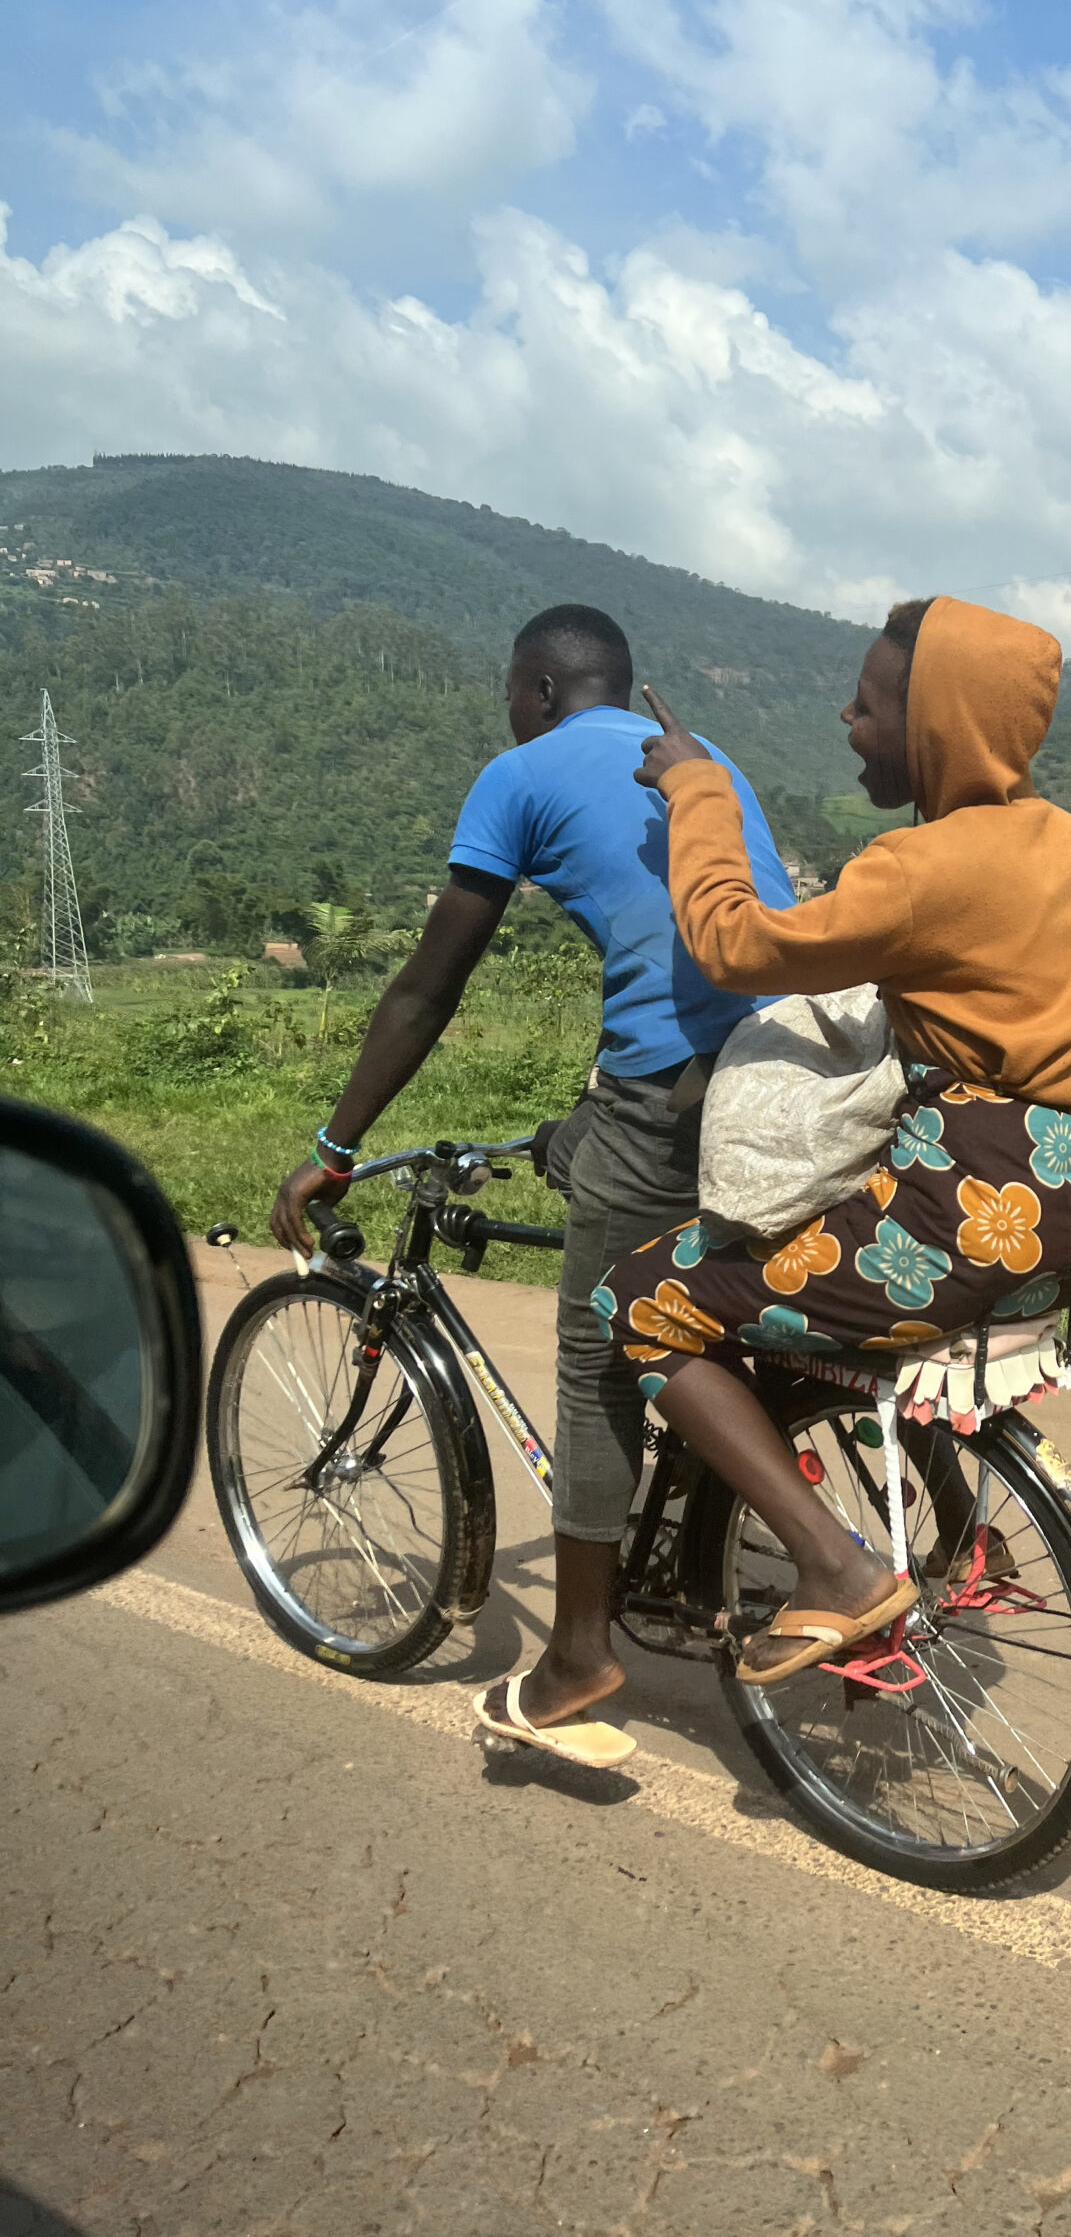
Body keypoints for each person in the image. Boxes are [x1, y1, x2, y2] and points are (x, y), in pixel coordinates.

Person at [504, 593, 1071, 1718]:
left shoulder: (926, 864)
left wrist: (697, 792)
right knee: (783, 1306)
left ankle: (836, 1566)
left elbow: (736, 944)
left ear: (936, 723)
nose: (848, 717)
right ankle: (933, 1525)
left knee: (642, 1298)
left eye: (873, 702)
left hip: (950, 1216)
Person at [269, 603, 795, 1753]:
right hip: (790, 1069)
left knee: (599, 1355)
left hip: (672, 1087)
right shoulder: (702, 757)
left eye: (514, 694)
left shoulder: (517, 775)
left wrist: (337, 1146)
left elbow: (428, 985)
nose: (510, 712)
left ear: (543, 690)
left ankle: (576, 1653)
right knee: (733, 1307)